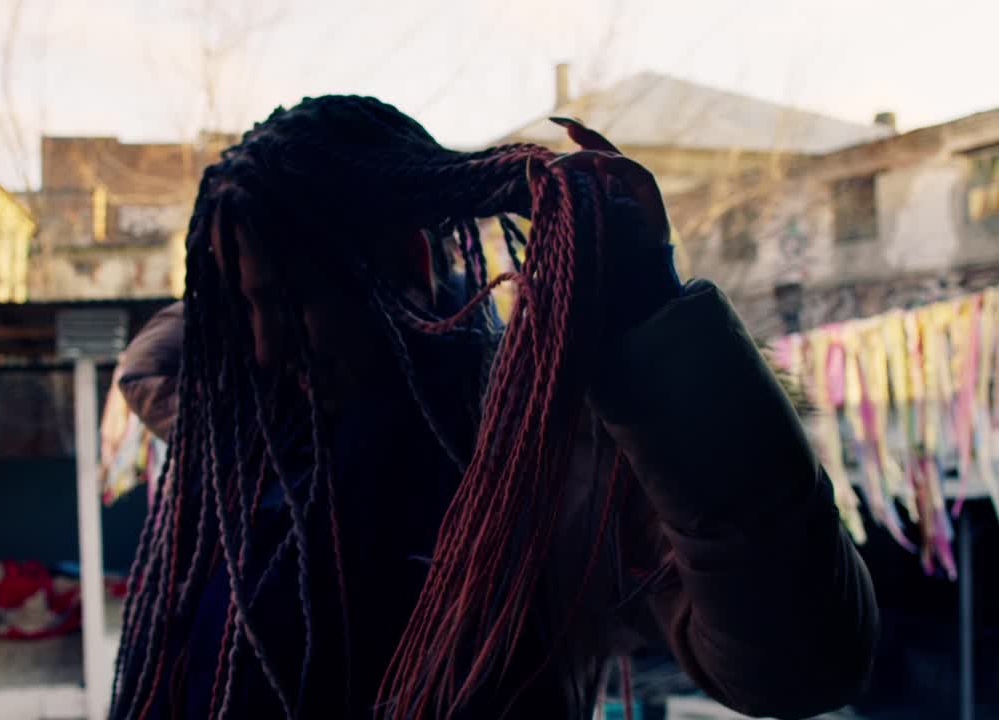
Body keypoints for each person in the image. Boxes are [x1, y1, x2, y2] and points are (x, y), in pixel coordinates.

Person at [110, 96, 878, 720]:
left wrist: (647, 310)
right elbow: (150, 366)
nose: (264, 348)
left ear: (415, 260)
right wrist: (261, 218)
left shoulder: (557, 450)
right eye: (242, 311)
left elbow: (802, 666)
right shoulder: (259, 434)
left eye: (291, 303)